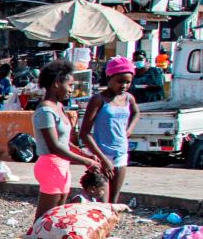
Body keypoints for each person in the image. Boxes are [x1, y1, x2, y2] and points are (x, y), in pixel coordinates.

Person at [31, 59, 106, 221]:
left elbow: (64, 142)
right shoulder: (45, 110)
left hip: (61, 165)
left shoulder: (58, 107)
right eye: (69, 85)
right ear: (57, 83)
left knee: (56, 215)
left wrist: (84, 154)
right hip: (51, 165)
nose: (71, 90)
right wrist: (86, 161)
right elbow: (54, 146)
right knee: (45, 218)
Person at [79, 56, 140, 204]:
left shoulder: (128, 98)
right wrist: (102, 158)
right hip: (102, 154)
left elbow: (136, 113)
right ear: (109, 77)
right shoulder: (98, 100)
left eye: (128, 82)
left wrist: (128, 131)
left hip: (120, 153)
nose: (124, 86)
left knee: (113, 199)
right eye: (120, 81)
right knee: (101, 199)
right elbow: (84, 133)